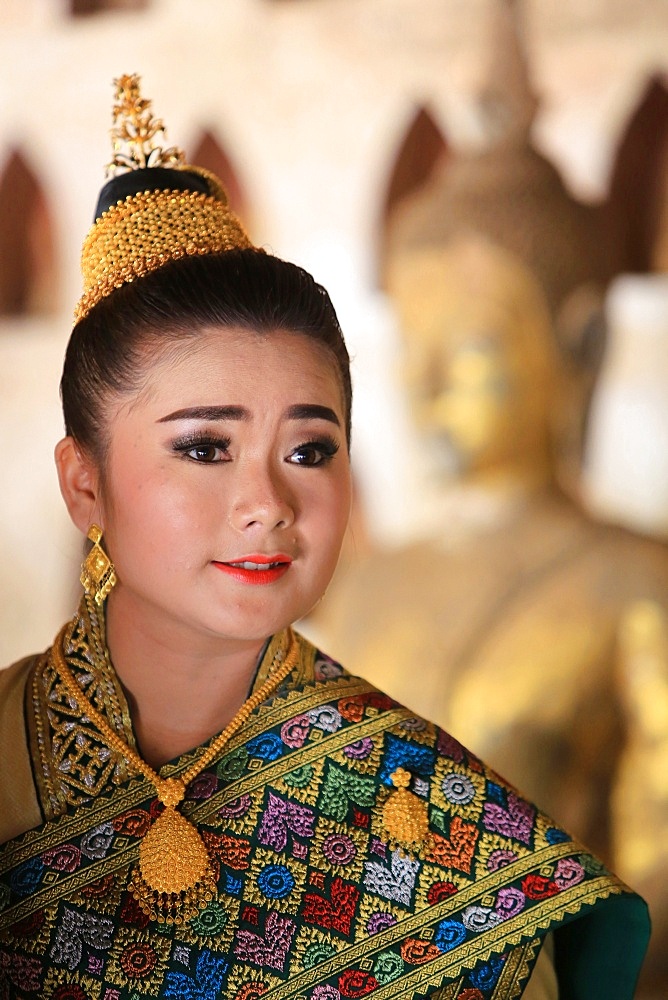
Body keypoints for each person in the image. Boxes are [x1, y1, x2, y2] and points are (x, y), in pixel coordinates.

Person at [0, 75, 649, 1000]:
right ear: (85, 483)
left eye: (309, 448)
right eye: (204, 447)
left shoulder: (441, 833)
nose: (267, 500)